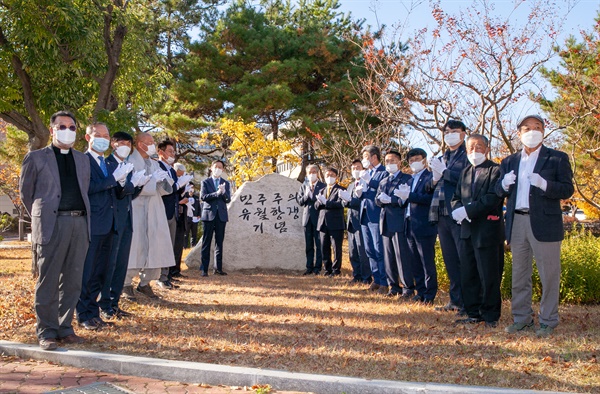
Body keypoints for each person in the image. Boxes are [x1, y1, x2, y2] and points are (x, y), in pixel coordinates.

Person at [496, 115, 574, 337]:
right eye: (527, 128)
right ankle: (522, 319)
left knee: (549, 274)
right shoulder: (509, 161)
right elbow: (498, 191)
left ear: (543, 131)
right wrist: (502, 185)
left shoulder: (557, 158)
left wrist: (545, 184)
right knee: (520, 273)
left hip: (545, 221)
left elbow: (567, 189)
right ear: (519, 133)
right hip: (517, 220)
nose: (532, 131)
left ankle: (548, 320)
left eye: (537, 127)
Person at [20, 110, 91, 350]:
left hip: (80, 224)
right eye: (63, 126)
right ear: (52, 130)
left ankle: (64, 327)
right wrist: (42, 218)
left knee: (72, 281)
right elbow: (26, 194)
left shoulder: (82, 160)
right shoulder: (36, 158)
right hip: (52, 224)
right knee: (48, 280)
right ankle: (46, 331)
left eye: (72, 128)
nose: (68, 131)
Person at [76, 123, 134, 330]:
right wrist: (112, 180)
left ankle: (94, 314)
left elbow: (118, 193)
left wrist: (124, 183)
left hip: (111, 225)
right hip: (92, 224)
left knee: (101, 273)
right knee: (87, 272)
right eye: (97, 135)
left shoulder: (109, 164)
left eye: (105, 135)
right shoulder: (82, 161)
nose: (102, 138)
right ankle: (83, 314)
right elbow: (87, 188)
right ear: (87, 137)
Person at [451, 134, 504, 328]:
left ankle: (490, 314)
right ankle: (473, 312)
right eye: (471, 148)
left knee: (489, 274)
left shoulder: (496, 170)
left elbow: (492, 198)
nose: (475, 151)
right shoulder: (465, 172)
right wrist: (458, 210)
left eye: (479, 147)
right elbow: (456, 196)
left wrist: (469, 210)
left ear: (487, 149)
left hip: (487, 230)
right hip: (466, 229)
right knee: (469, 272)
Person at [98, 131, 146, 320]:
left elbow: (129, 194)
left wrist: (139, 184)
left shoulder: (128, 165)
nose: (125, 146)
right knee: (110, 263)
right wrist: (128, 185)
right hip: (112, 220)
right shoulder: (107, 165)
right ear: (113, 144)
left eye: (128, 143)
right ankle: (104, 304)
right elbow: (115, 192)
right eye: (121, 142)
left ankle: (114, 303)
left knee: (121, 264)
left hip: (126, 219)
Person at [124, 133, 175, 299]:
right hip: (136, 208)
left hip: (154, 209)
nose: (153, 145)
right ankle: (125, 284)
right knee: (135, 246)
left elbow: (165, 189)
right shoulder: (130, 162)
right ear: (140, 144)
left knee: (155, 246)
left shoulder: (154, 163)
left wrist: (163, 182)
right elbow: (133, 186)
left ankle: (146, 283)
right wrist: (152, 181)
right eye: (150, 142)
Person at [428, 120, 469, 314]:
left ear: (463, 134)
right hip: (441, 213)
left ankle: (468, 302)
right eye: (447, 131)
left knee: (463, 258)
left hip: (458, 213)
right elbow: (430, 185)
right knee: (450, 259)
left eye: (454, 131)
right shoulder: (443, 156)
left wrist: (445, 172)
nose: (450, 134)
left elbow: (465, 178)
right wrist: (435, 177)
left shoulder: (468, 154)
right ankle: (455, 300)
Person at [402, 148, 438, 304]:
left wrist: (409, 196)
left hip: (424, 223)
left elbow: (429, 198)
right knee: (414, 260)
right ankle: (420, 291)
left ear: (424, 160)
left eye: (417, 159)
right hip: (409, 222)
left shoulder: (431, 177)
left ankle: (430, 295)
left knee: (426, 261)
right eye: (411, 161)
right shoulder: (410, 179)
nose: (414, 163)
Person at [375, 150, 413, 297]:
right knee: (388, 256)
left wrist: (392, 200)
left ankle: (407, 288)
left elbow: (407, 199)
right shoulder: (383, 181)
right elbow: (377, 199)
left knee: (401, 256)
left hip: (399, 221)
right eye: (387, 161)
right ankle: (393, 287)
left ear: (399, 162)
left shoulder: (406, 179)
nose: (389, 164)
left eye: (392, 161)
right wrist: (381, 200)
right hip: (385, 221)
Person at [157, 140, 193, 289]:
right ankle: (159, 277)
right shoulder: (157, 167)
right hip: (162, 211)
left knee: (169, 246)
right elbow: (164, 190)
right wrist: (178, 185)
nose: (173, 154)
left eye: (173, 152)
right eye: (170, 151)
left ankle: (166, 276)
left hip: (173, 213)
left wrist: (182, 188)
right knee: (161, 246)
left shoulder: (171, 170)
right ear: (161, 152)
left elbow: (174, 192)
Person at [359, 145, 389, 291]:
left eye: (365, 157)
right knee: (369, 249)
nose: (364, 160)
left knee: (379, 249)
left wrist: (369, 181)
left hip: (376, 214)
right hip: (364, 214)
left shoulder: (384, 172)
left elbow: (382, 188)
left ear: (374, 157)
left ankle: (384, 281)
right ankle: (376, 278)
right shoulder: (366, 173)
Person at [340, 160, 371, 284]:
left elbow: (364, 202)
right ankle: (356, 275)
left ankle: (366, 277)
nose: (355, 170)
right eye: (353, 168)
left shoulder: (365, 183)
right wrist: (345, 200)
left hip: (361, 220)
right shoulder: (351, 185)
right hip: (351, 222)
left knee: (363, 251)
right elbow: (345, 202)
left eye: (358, 167)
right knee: (353, 251)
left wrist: (352, 200)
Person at [199, 160, 231, 276]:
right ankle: (204, 269)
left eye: (220, 167)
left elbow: (228, 200)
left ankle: (218, 268)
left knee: (219, 242)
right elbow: (203, 197)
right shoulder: (205, 182)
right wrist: (216, 193)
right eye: (216, 166)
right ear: (211, 168)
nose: (218, 169)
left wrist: (223, 193)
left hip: (221, 216)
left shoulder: (225, 183)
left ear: (222, 170)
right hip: (208, 215)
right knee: (206, 242)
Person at [314, 167, 346, 276]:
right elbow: (316, 206)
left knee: (336, 248)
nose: (329, 177)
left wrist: (326, 203)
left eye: (332, 175)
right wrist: (320, 202)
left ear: (336, 177)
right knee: (324, 247)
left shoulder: (341, 189)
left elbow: (340, 204)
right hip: (323, 223)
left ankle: (336, 270)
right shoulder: (322, 190)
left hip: (336, 224)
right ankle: (327, 268)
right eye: (327, 175)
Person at [296, 164, 326, 275]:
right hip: (307, 218)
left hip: (318, 218)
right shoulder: (304, 186)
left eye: (314, 172)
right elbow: (300, 201)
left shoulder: (323, 186)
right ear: (307, 174)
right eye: (310, 172)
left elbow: (324, 201)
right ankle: (309, 266)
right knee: (309, 244)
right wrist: (306, 195)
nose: (312, 174)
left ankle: (318, 267)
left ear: (317, 173)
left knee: (319, 244)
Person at [171, 162, 192, 279]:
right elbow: (169, 197)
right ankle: (169, 272)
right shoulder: (172, 182)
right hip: (173, 216)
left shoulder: (183, 184)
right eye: (179, 175)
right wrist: (179, 202)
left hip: (182, 217)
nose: (181, 178)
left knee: (179, 245)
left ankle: (176, 270)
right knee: (172, 246)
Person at [185, 182, 201, 248]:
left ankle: (193, 246)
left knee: (194, 233)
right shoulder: (185, 197)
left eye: (192, 187)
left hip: (195, 218)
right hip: (187, 218)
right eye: (190, 187)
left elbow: (199, 207)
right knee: (186, 233)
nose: (191, 189)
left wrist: (199, 215)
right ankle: (184, 247)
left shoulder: (196, 198)